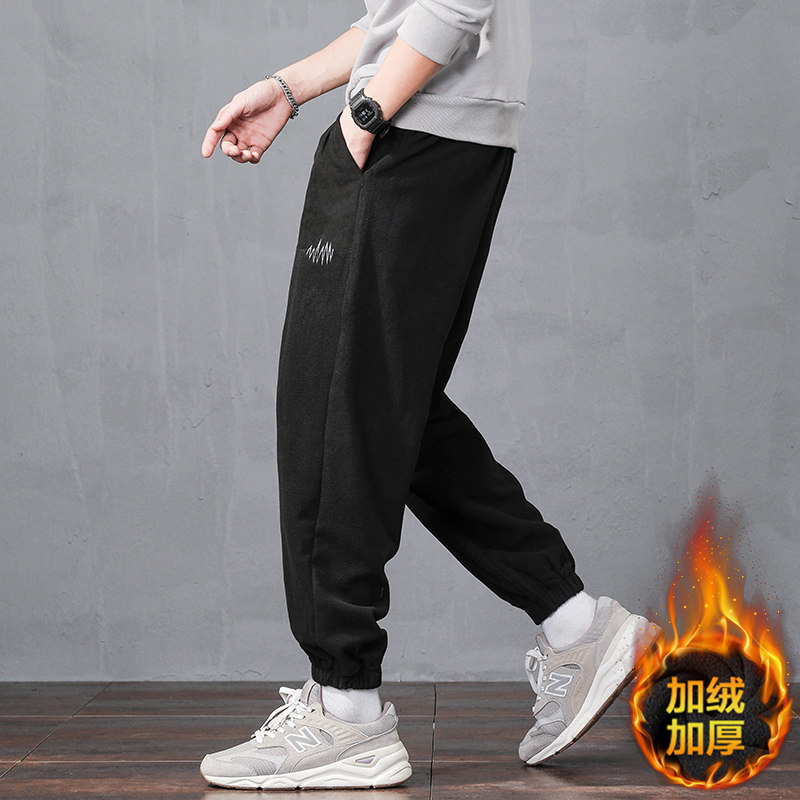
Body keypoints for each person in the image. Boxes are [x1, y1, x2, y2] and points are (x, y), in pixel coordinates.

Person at [199, 0, 660, 790]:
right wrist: (291, 86)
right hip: (437, 128)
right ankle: (576, 624)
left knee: (331, 410)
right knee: (384, 411)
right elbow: (402, 13)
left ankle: (345, 710)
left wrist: (369, 114)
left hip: (410, 130)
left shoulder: (392, 117)